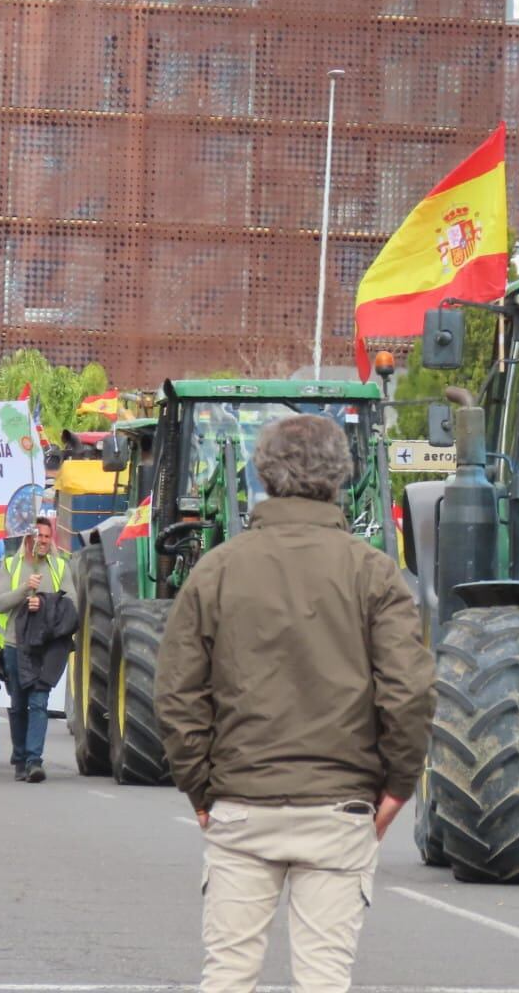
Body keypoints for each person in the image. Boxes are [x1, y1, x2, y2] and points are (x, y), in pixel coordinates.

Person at [156, 414, 434, 993]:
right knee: (323, 978)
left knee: (228, 975)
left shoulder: (217, 569)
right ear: (341, 475)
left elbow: (178, 691)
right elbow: (407, 690)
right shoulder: (374, 573)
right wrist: (397, 786)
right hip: (341, 806)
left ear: (263, 472)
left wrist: (199, 787)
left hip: (241, 803)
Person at [0, 518, 68, 782]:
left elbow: (72, 604)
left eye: (46, 536)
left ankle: (34, 760)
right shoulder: (11, 565)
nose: (42, 541)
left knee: (39, 702)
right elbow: (0, 603)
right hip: (15, 644)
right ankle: (20, 758)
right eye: (38, 536)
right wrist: (25, 589)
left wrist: (44, 604)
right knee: (18, 705)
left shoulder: (60, 567)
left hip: (45, 647)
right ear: (28, 538)